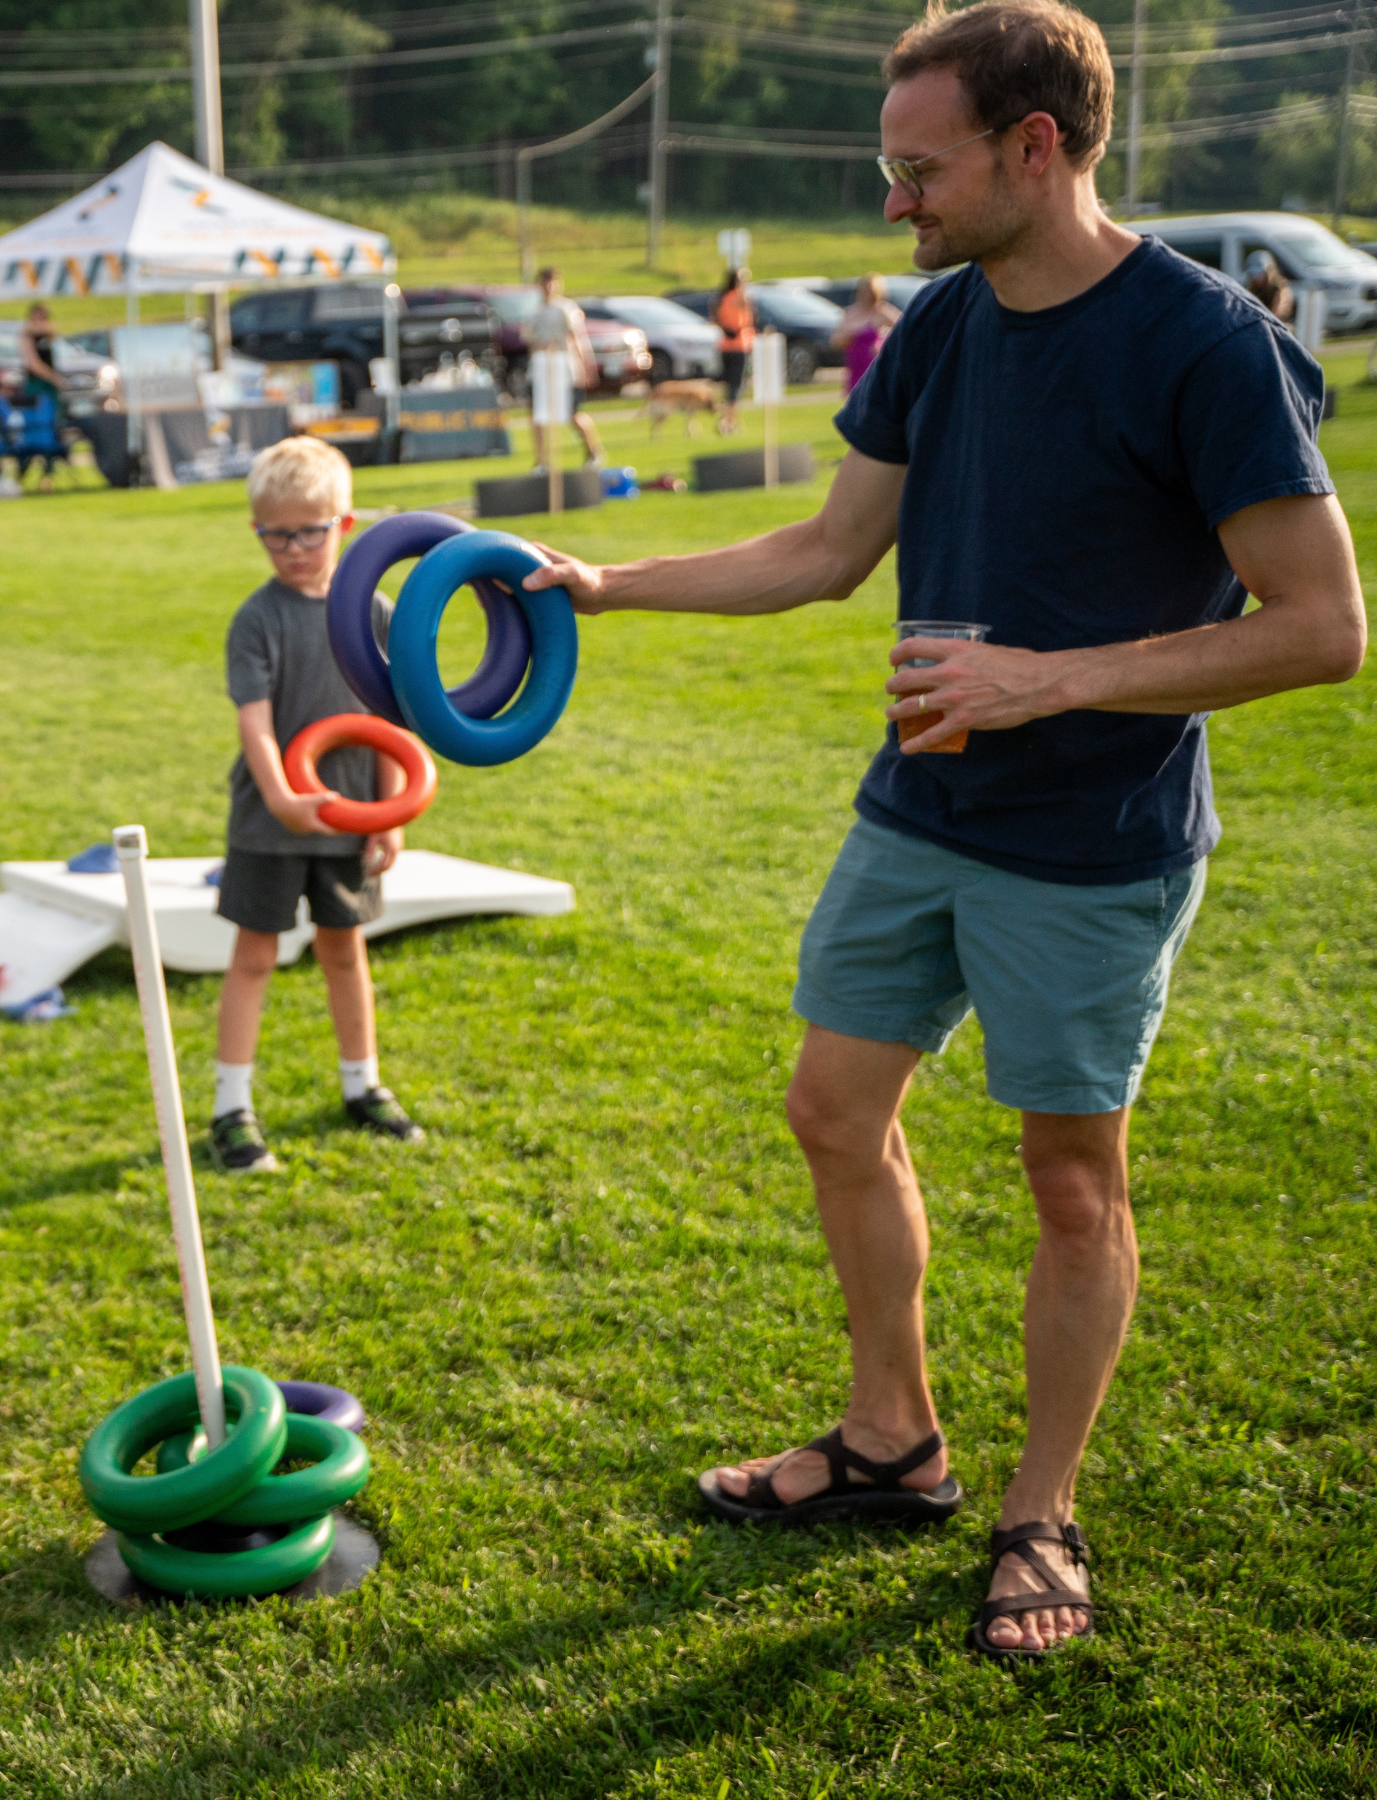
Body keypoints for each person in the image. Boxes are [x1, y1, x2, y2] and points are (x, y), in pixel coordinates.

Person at [521, 0, 1363, 1661]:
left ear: (1032, 147)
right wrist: (602, 585)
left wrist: (1051, 684)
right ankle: (893, 1437)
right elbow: (828, 551)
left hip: (1095, 833)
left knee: (1068, 1176)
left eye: (919, 169)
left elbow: (1323, 626)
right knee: (832, 1110)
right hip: (919, 806)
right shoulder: (944, 323)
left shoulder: (1202, 345)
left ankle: (1040, 1513)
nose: (895, 202)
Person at [210, 437, 424, 1175]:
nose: (295, 547)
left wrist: (392, 812)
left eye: (312, 529)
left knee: (345, 949)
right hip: (273, 823)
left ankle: (363, 1084)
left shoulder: (378, 614)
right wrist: (281, 796)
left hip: (352, 815)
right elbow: (256, 722)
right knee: (254, 958)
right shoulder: (257, 619)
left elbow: (398, 722)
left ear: (346, 523)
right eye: (277, 533)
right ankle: (230, 1108)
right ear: (257, 531)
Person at [519, 268, 604, 471]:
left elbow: (578, 339)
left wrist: (586, 367)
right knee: (537, 415)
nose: (548, 286)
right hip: (541, 366)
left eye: (552, 282)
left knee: (571, 414)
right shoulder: (535, 311)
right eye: (545, 282)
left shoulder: (565, 308)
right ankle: (541, 461)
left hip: (564, 365)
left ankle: (593, 451)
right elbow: (528, 339)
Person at [16, 302, 69, 493]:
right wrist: (54, 378)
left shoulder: (46, 335)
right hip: (37, 387)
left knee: (51, 429)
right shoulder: (26, 335)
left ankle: (48, 476)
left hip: (49, 388)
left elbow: (55, 331)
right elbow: (33, 364)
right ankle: (21, 475)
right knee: (35, 430)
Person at [831, 274, 904, 394]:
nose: (867, 296)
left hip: (876, 369)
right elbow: (834, 341)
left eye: (870, 292)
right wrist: (849, 336)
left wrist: (886, 344)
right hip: (855, 368)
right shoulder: (850, 313)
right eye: (864, 292)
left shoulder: (881, 311)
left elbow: (905, 327)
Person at [714, 267, 757, 435]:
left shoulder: (722, 297)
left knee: (729, 385)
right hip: (739, 345)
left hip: (725, 344)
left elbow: (718, 319)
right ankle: (728, 420)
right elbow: (747, 314)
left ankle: (731, 419)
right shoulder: (740, 296)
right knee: (736, 385)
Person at [1244, 250, 1296, 325]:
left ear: (1269, 271)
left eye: (1260, 274)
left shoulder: (1281, 288)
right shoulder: (1250, 289)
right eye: (1253, 275)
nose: (1257, 278)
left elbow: (1277, 314)